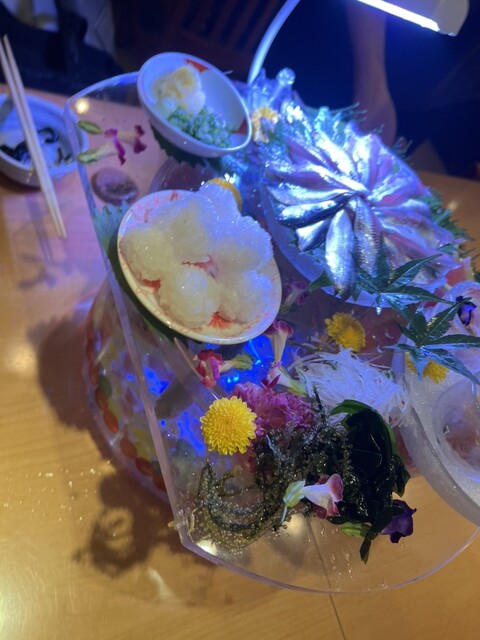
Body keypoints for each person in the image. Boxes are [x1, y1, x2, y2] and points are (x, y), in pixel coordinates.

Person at [264, 0, 480, 178]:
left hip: (436, 93)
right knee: (279, 146)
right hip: (345, 59)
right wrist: (372, 79)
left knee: (363, 175)